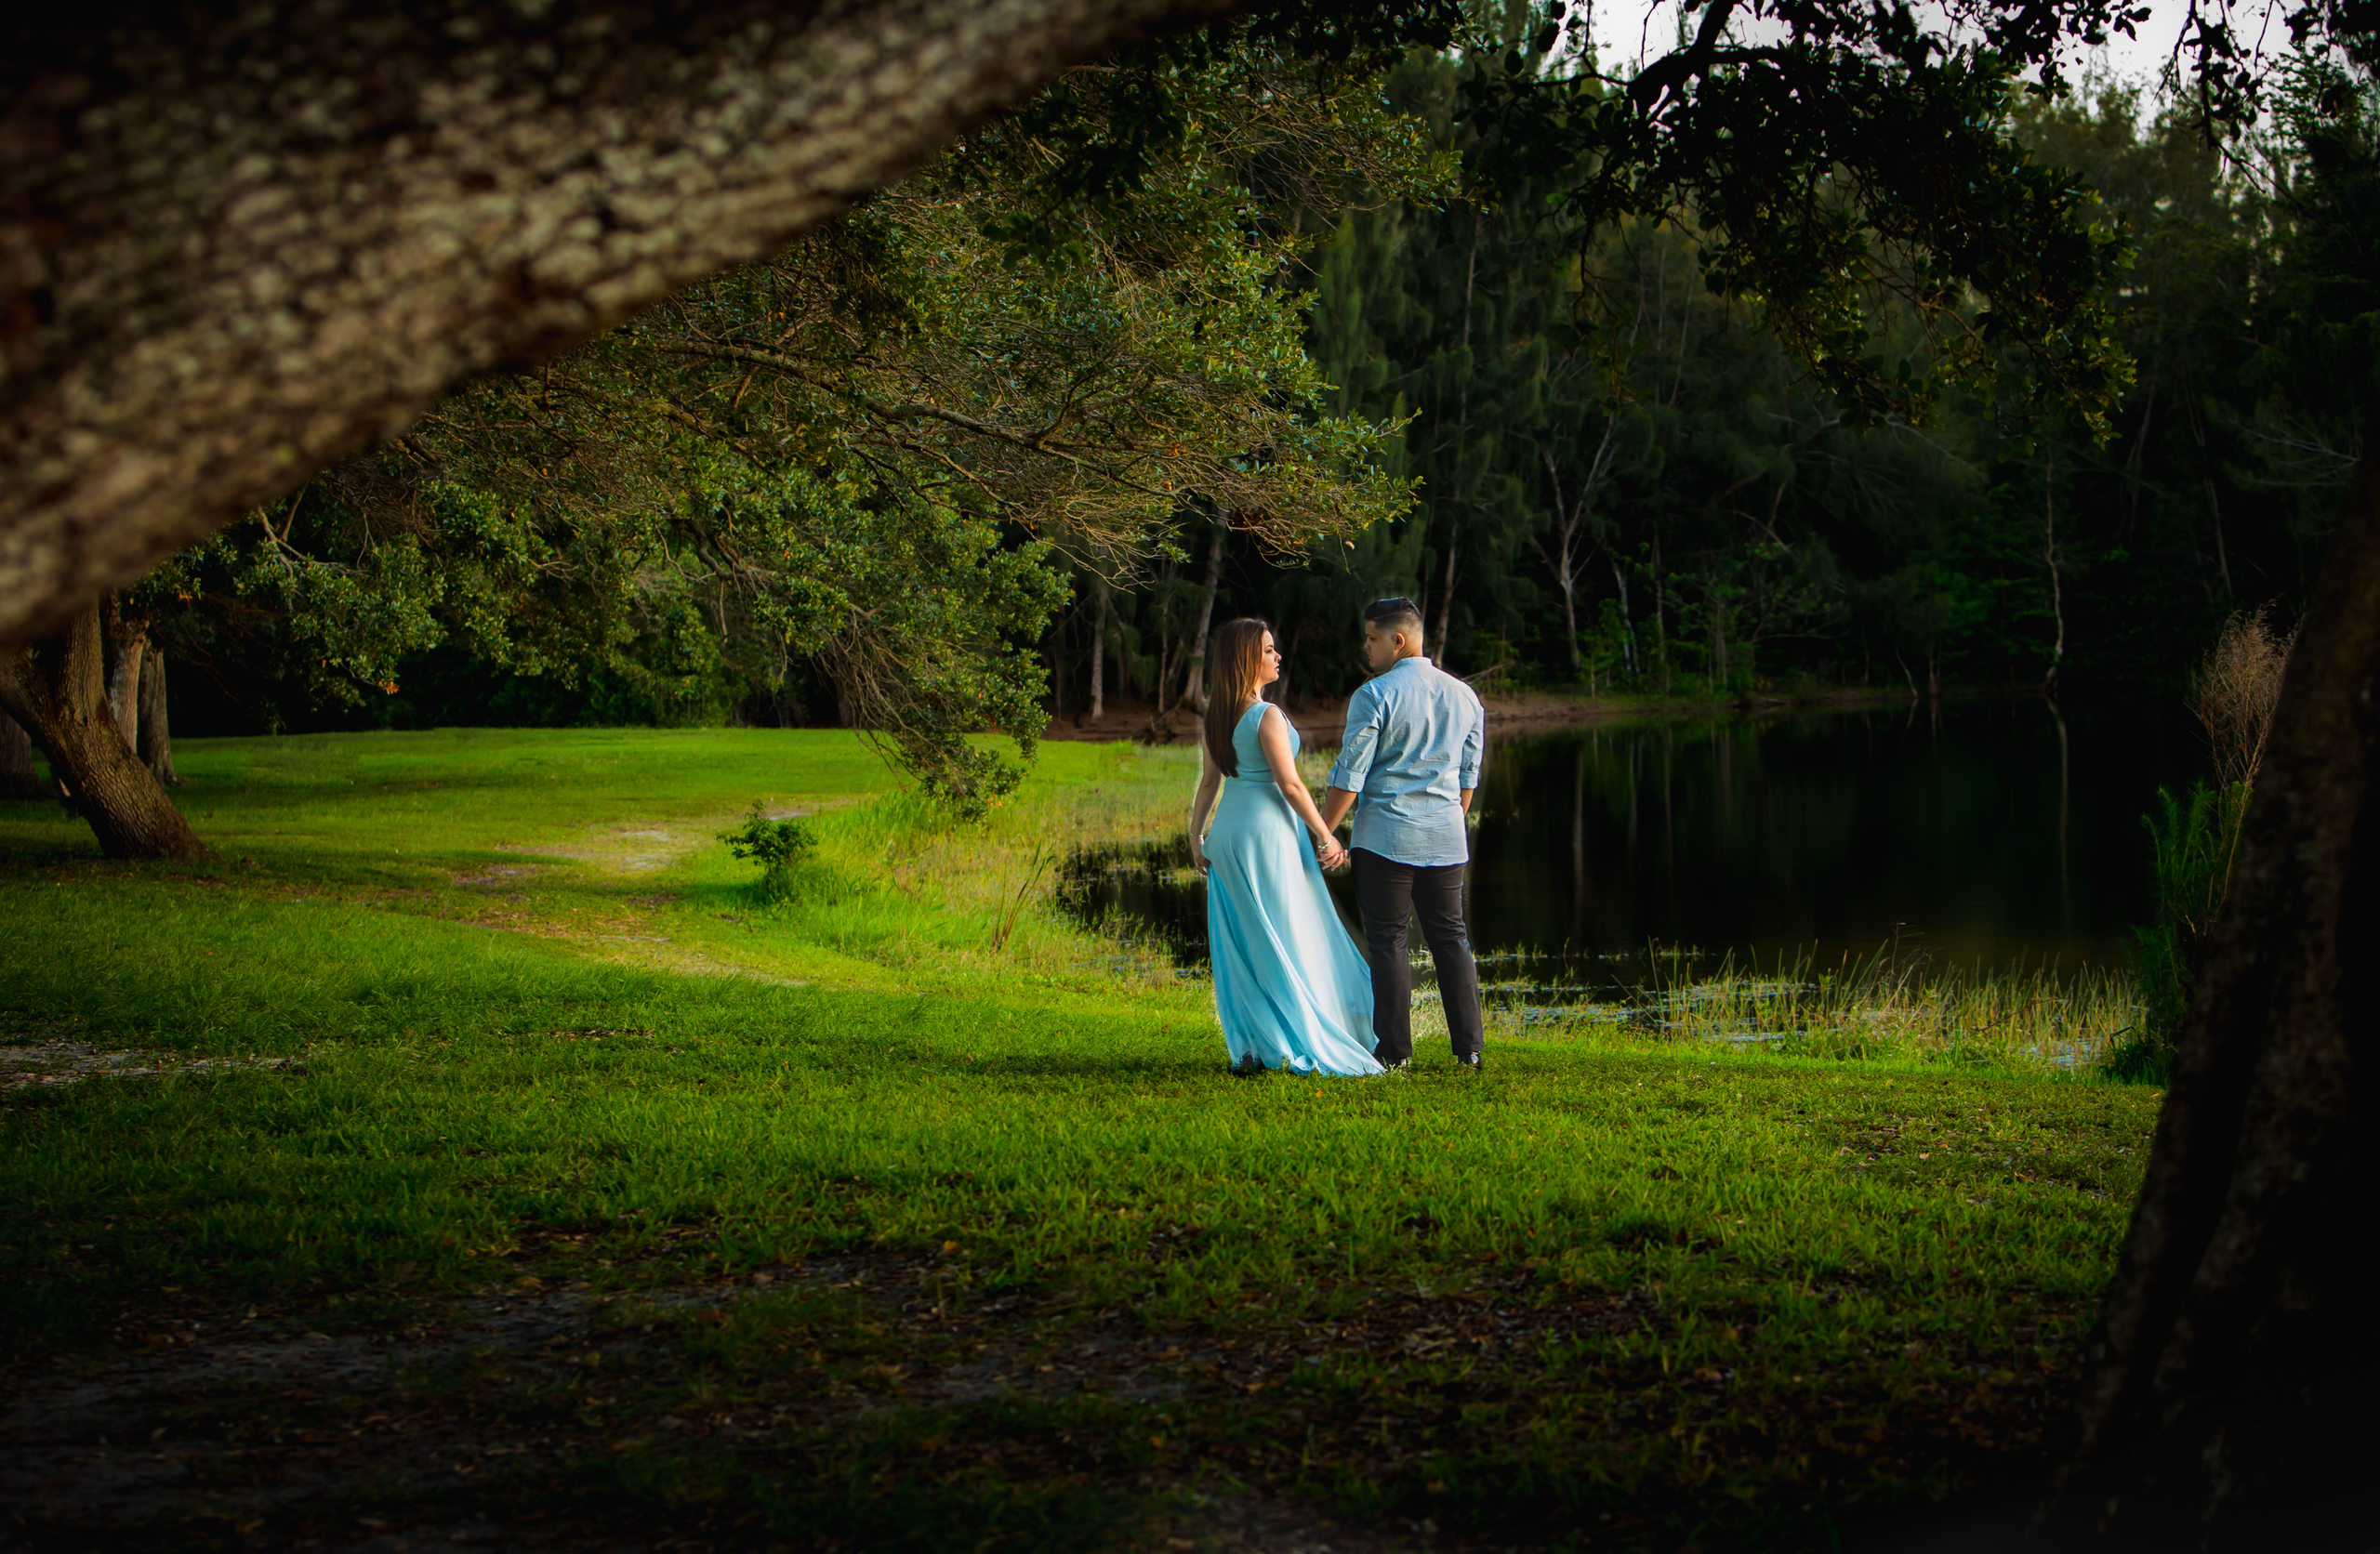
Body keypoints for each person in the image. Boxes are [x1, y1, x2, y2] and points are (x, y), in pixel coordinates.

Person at [1187, 618, 1383, 1077]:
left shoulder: (1217, 715)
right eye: (1269, 650)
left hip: (1227, 836)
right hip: (1267, 836)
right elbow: (1290, 785)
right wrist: (1325, 835)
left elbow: (1209, 783)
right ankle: (1293, 1037)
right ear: (1247, 659)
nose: (1278, 657)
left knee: (1246, 943)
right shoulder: (1266, 716)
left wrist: (1196, 837)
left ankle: (1255, 1045)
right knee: (1286, 934)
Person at [1318, 598, 1488, 1073]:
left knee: (1388, 941)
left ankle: (1395, 1053)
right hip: (1446, 839)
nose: (1366, 646)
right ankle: (1470, 1051)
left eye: (1372, 638)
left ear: (1398, 640)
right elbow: (1468, 776)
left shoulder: (1374, 695)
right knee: (1451, 939)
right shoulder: (1465, 696)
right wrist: (1446, 820)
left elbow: (1350, 776)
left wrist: (1323, 832)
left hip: (1385, 840)